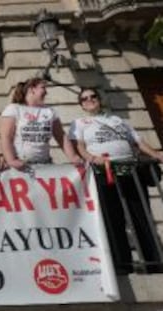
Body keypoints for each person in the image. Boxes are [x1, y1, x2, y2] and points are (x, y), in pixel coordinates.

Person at [69, 87, 163, 273]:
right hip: (105, 173)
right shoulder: (79, 123)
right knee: (114, 218)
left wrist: (157, 155)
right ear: (81, 105)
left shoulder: (118, 120)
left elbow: (138, 142)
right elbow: (79, 147)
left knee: (141, 215)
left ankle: (154, 262)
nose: (89, 100)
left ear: (99, 98)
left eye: (93, 96)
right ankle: (122, 264)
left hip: (131, 170)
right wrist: (94, 159)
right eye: (84, 99)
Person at [0, 78, 80, 169]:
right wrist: (11, 160)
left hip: (45, 165)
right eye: (43, 88)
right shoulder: (14, 109)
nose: (46, 92)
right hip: (21, 165)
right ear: (31, 89)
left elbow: (61, 136)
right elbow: (6, 137)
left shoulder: (50, 111)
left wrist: (73, 157)